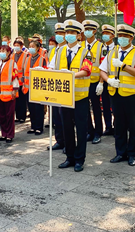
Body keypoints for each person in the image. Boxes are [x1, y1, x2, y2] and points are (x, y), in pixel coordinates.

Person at [100, 24, 135, 167]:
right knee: (119, 125)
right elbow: (102, 70)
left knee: (133, 126)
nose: (122, 38)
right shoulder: (112, 52)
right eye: (120, 36)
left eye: (125, 36)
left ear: (132, 38)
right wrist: (108, 80)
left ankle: (132, 154)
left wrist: (123, 65)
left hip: (133, 96)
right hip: (116, 94)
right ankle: (120, 152)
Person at [52, 20, 92, 172]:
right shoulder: (59, 51)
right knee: (67, 128)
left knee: (81, 130)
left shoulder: (86, 51)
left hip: (80, 97)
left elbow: (87, 70)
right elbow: (54, 69)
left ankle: (79, 159)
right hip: (64, 97)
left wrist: (71, 75)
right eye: (67, 33)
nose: (68, 35)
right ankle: (69, 157)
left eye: (72, 33)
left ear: (78, 35)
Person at [82, 20, 104, 145]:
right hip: (83, 82)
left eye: (89, 30)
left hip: (95, 82)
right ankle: (89, 131)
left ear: (94, 31)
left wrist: (101, 82)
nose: (87, 32)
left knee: (96, 108)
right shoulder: (81, 46)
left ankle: (98, 132)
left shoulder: (101, 46)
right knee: (85, 108)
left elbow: (103, 66)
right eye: (86, 29)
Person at [0, 45, 19, 143]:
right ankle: (4, 133)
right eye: (1, 50)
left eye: (4, 51)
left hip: (9, 93)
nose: (1, 53)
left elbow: (15, 77)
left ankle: (10, 135)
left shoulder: (12, 63)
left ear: (8, 53)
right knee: (1, 115)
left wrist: (14, 90)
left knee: (9, 115)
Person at [47, 22, 68, 151]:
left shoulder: (68, 49)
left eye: (61, 33)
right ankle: (59, 140)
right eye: (57, 33)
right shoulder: (54, 50)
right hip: (55, 86)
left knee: (66, 117)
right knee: (56, 117)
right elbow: (51, 65)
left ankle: (68, 142)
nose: (59, 36)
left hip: (65, 87)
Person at [23, 40, 48, 135]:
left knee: (38, 108)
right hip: (28, 87)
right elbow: (25, 73)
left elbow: (45, 73)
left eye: (33, 46)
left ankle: (39, 127)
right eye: (30, 46)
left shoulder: (42, 59)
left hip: (38, 88)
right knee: (31, 108)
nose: (31, 48)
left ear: (38, 48)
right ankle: (33, 126)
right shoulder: (27, 58)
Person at [96, 24, 116, 136]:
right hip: (103, 81)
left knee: (114, 105)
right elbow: (100, 66)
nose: (105, 35)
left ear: (112, 36)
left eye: (107, 33)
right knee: (105, 105)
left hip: (114, 81)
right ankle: (108, 126)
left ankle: (116, 125)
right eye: (103, 33)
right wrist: (101, 82)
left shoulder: (116, 48)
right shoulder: (101, 48)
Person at [12, 38, 29, 123]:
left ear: (22, 46)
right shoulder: (12, 55)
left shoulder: (26, 55)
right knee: (16, 100)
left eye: (17, 46)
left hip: (22, 81)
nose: (16, 47)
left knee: (22, 100)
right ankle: (17, 116)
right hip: (14, 81)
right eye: (15, 46)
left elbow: (26, 69)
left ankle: (22, 116)